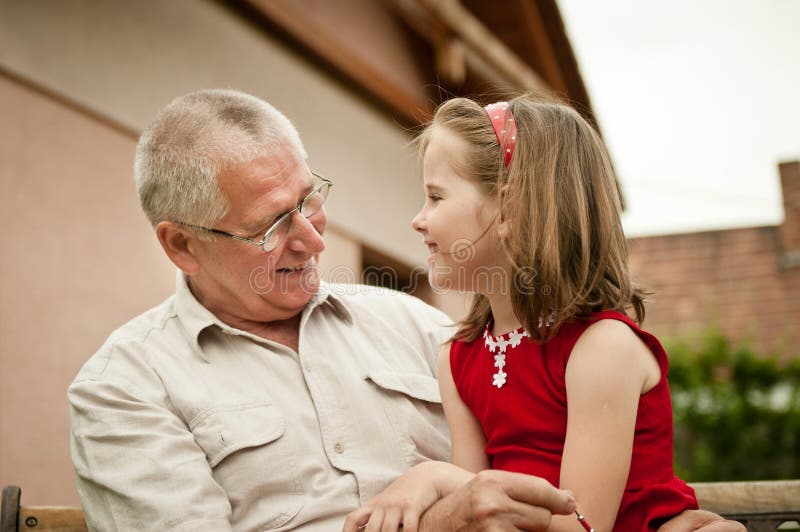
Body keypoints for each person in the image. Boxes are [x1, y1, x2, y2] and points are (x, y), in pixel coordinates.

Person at [69, 89, 740, 532]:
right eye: (273, 222)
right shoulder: (125, 390)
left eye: (311, 198)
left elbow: (571, 471)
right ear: (182, 245)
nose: (313, 236)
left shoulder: (422, 331)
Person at [346, 96, 746, 531]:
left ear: (509, 210)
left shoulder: (601, 349)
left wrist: (432, 475)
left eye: (435, 197)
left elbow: (581, 527)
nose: (418, 220)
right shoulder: (458, 359)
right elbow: (481, 517)